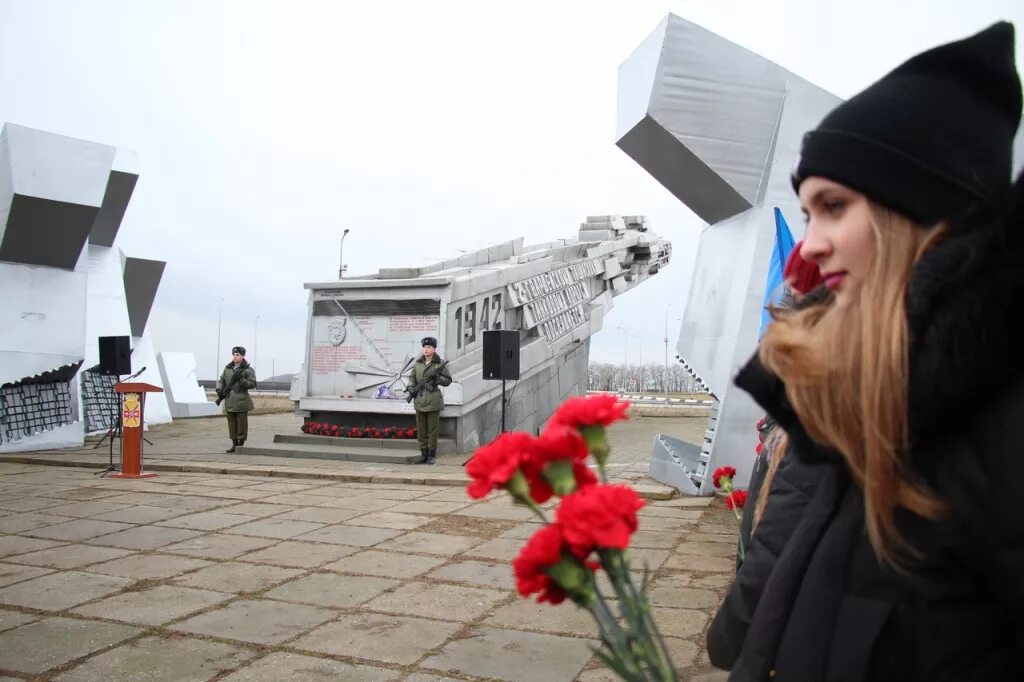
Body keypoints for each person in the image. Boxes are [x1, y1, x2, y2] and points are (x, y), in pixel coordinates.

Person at [708, 22, 1024, 680]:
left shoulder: (998, 428)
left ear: (915, 209)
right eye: (806, 213)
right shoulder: (874, 396)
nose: (810, 246)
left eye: (834, 207)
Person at [408, 336, 452, 464]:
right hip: (420, 400)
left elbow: (448, 380)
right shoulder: (418, 364)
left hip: (433, 400)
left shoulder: (439, 363)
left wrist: (438, 379)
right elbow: (412, 378)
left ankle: (431, 455)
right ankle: (423, 454)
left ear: (434, 349)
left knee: (432, 430)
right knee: (421, 430)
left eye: (429, 347)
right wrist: (411, 388)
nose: (426, 349)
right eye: (425, 347)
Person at [217, 346, 257, 453]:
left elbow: (253, 384)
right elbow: (221, 380)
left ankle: (241, 443)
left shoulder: (248, 370)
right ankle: (234, 443)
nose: (235, 357)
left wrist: (242, 380)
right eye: (234, 355)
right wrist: (219, 389)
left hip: (241, 400)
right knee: (231, 423)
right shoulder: (228, 368)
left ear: (243, 356)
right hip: (229, 400)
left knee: (242, 423)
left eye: (238, 355)